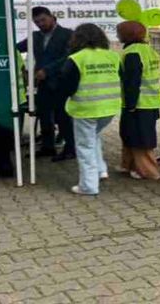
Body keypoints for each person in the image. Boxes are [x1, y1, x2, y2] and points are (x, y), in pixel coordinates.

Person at [60, 24, 121, 195]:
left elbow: (67, 86)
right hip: (109, 108)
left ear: (77, 38)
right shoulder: (113, 56)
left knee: (85, 145)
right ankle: (101, 170)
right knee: (94, 137)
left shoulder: (76, 58)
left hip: (85, 109)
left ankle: (88, 186)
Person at [16, 7, 74, 161]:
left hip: (61, 82)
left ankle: (70, 148)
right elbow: (15, 49)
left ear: (52, 17)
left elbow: (68, 57)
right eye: (36, 22)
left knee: (63, 117)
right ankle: (48, 147)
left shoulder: (68, 34)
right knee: (44, 115)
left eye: (43, 20)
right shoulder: (34, 36)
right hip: (42, 83)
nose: (40, 24)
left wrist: (47, 70)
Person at [116, 21, 160, 181]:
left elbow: (132, 81)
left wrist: (130, 105)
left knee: (140, 140)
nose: (117, 35)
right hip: (151, 101)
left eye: (119, 32)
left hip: (138, 104)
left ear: (128, 35)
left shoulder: (132, 53)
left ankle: (148, 171)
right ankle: (127, 165)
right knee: (130, 136)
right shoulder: (149, 50)